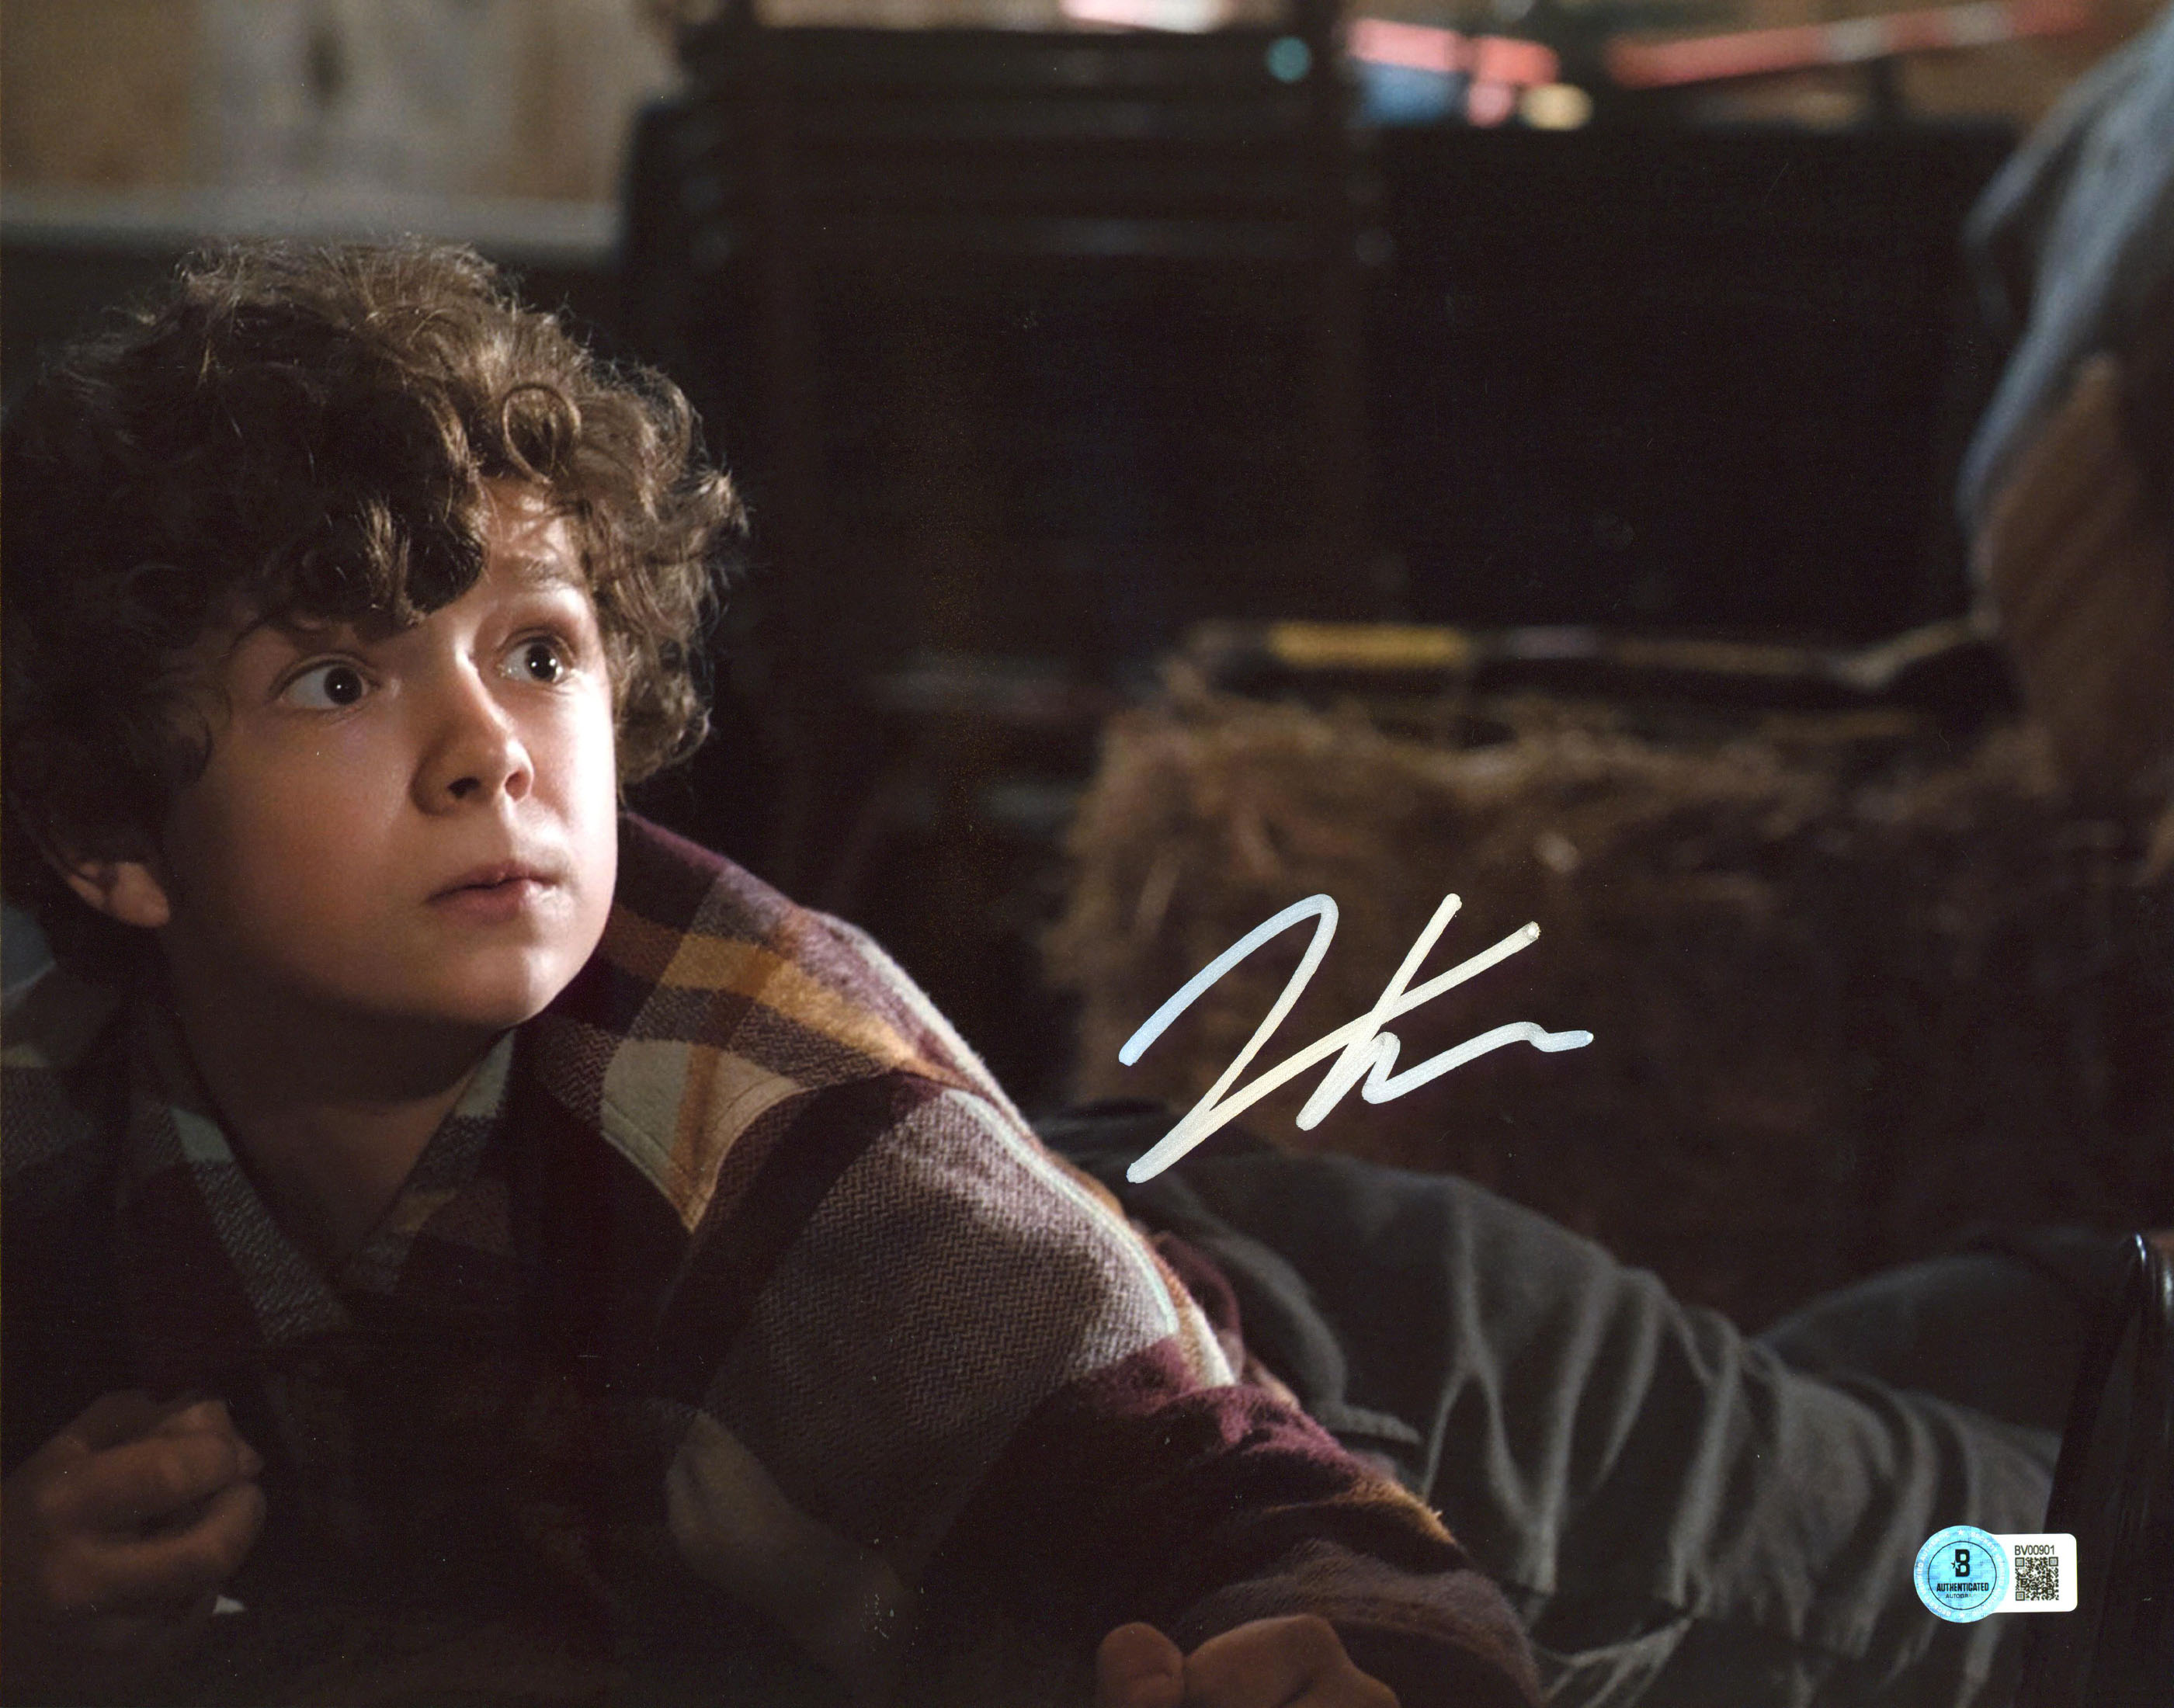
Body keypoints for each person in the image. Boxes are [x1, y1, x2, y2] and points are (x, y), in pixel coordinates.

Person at [0, 241, 2134, 1708]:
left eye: (539, 650)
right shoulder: (60, 1121)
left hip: (1471, 1433)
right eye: (339, 677)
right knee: (1951, 1426)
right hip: (1136, 1258)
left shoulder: (766, 1133)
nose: (491, 748)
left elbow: (1283, 1519)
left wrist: (1348, 1661)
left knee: (2022, 1581)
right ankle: (2031, 1334)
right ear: (110, 842)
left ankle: (2089, 1336)